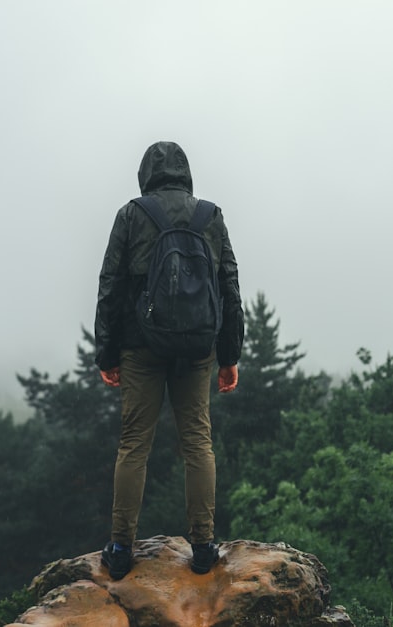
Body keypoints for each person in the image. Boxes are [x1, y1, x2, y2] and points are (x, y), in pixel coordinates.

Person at [94, 141, 244, 580]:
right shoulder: (210, 216)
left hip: (140, 346)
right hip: (198, 347)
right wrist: (229, 356)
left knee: (134, 444)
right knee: (198, 442)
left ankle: (121, 548)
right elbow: (229, 285)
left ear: (146, 174)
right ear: (186, 173)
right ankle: (203, 547)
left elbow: (110, 283)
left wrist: (107, 351)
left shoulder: (130, 214)